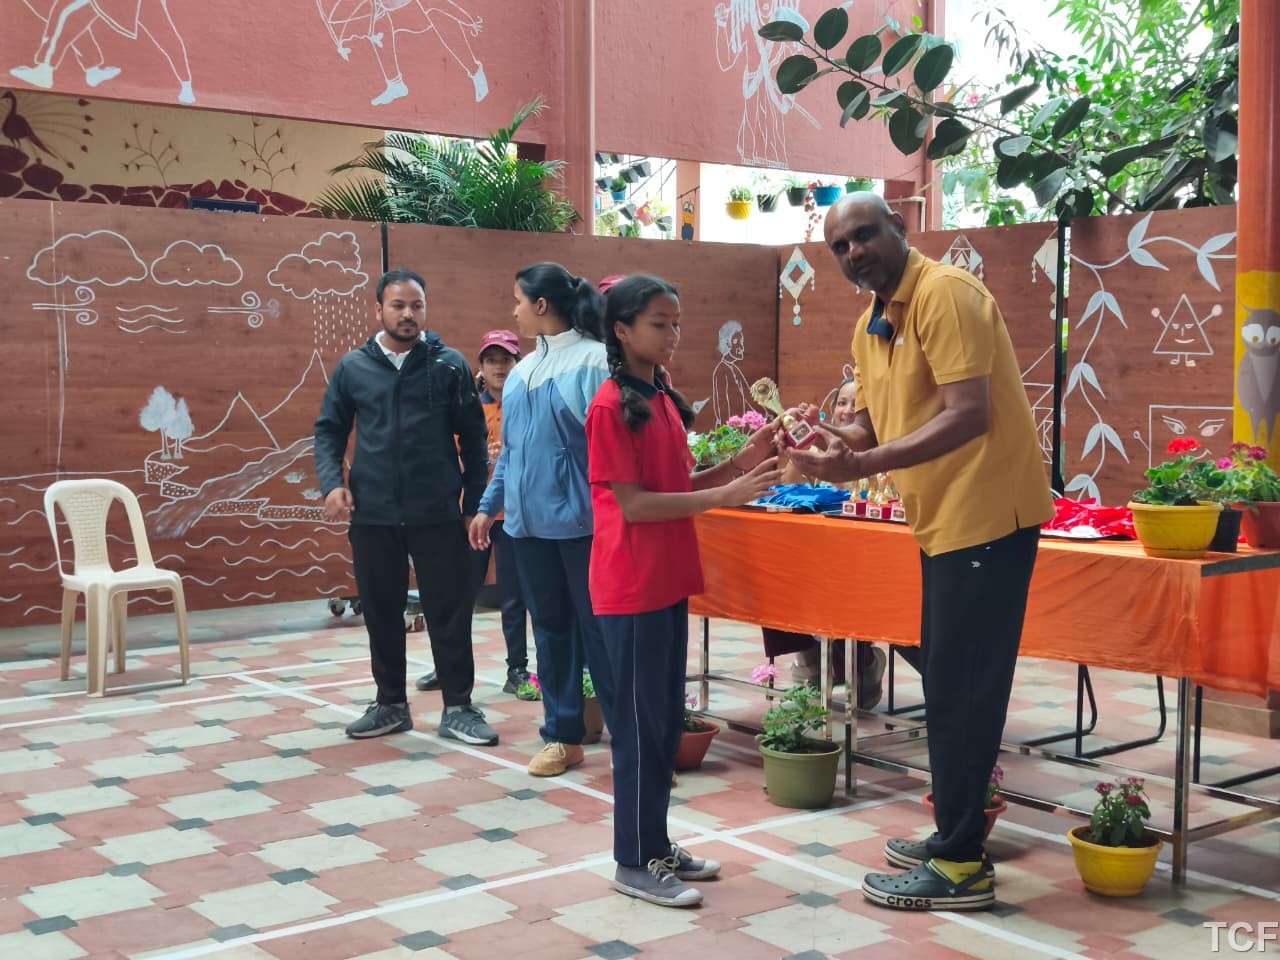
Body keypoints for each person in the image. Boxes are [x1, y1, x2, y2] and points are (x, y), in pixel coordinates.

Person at [789, 194, 1054, 912]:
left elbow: (970, 415)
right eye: (840, 246)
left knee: (963, 691)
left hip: (987, 518)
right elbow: (874, 428)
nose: (854, 253)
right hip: (944, 524)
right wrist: (829, 443)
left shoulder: (945, 294)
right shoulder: (873, 322)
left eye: (864, 235)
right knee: (948, 683)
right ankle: (953, 835)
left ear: (900, 229)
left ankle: (962, 864)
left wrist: (859, 462)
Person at [587, 274, 781, 908]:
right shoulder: (609, 407)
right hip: (632, 585)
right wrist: (726, 495)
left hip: (667, 580)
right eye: (658, 324)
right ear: (621, 329)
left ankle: (657, 845)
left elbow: (678, 483)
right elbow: (637, 506)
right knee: (639, 732)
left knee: (663, 722)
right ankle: (632, 861)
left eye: (676, 323)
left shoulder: (660, 396)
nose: (672, 334)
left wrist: (741, 462)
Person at [314, 268, 499, 747]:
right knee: (381, 612)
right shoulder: (353, 368)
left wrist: (473, 502)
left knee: (449, 612)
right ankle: (391, 705)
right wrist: (332, 484)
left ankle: (458, 708)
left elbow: (474, 440)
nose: (408, 314)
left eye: (416, 305)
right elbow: (329, 430)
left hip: (438, 514)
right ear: (379, 309)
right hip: (373, 515)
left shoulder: (449, 365)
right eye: (398, 306)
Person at [470, 263, 615, 778]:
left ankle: (634, 745)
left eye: (517, 300)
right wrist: (488, 506)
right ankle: (562, 736)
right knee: (551, 635)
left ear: (541, 305)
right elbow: (510, 453)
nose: (513, 310)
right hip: (527, 530)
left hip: (584, 529)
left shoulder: (595, 361)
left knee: (603, 637)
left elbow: (614, 446)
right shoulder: (522, 373)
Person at [761, 377, 890, 709]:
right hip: (816, 561)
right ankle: (809, 655)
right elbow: (786, 490)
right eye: (841, 403)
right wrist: (799, 451)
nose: (847, 411)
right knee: (772, 566)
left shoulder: (885, 458)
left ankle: (864, 663)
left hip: (865, 565)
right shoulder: (820, 451)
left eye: (857, 405)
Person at [418, 329, 533, 698]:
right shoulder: (470, 407)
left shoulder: (527, 403)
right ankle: (447, 666)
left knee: (514, 596)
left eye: (507, 360)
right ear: (481, 366)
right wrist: (484, 459)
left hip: (515, 516)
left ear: (518, 363)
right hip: (472, 516)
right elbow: (454, 456)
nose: (500, 367)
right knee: (459, 593)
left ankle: (517, 670)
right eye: (492, 360)